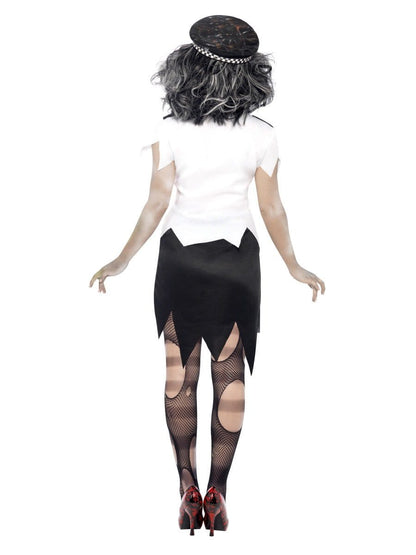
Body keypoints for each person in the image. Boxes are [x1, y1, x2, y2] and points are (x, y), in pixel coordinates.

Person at [89, 14, 325, 536]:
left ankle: (186, 485)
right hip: (236, 260)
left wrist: (122, 259)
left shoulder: (169, 128)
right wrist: (292, 265)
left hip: (179, 257)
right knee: (229, 375)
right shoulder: (263, 135)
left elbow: (157, 203)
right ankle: (218, 490)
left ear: (189, 68)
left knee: (180, 373)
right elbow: (272, 209)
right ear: (250, 74)